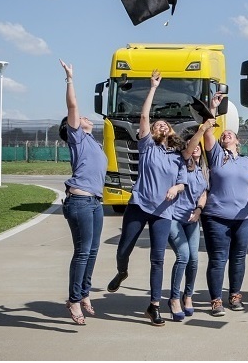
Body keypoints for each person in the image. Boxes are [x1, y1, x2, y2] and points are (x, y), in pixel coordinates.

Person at [107, 69, 188, 326]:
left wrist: (176, 189)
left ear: (171, 130)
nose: (159, 125)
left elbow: (183, 182)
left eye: (164, 124)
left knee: (158, 258)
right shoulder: (147, 146)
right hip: (140, 204)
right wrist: (153, 88)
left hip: (163, 211)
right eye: (156, 125)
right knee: (124, 248)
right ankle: (122, 271)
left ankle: (154, 305)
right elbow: (144, 115)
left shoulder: (177, 155)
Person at [201, 92, 248, 316]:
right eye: (224, 134)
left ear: (238, 140)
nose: (226, 135)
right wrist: (213, 108)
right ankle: (216, 300)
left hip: (244, 218)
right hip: (217, 217)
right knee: (218, 259)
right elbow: (208, 132)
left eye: (230, 134)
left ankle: (235, 295)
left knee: (238, 258)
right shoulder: (216, 155)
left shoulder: (247, 162)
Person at [58, 59, 106, 326]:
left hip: (95, 203)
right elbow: (73, 106)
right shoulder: (77, 137)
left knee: (93, 250)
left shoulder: (93, 143)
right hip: (79, 201)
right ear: (71, 127)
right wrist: (70, 78)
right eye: (79, 119)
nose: (85, 117)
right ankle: (74, 300)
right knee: (83, 251)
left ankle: (84, 293)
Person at [166, 119, 212, 321]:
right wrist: (202, 129)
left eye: (197, 148)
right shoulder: (180, 163)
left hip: (192, 219)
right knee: (183, 255)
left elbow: (203, 193)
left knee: (194, 259)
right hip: (174, 218)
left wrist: (199, 210)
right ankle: (174, 298)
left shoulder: (203, 171)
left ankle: (188, 296)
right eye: (192, 146)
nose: (195, 150)